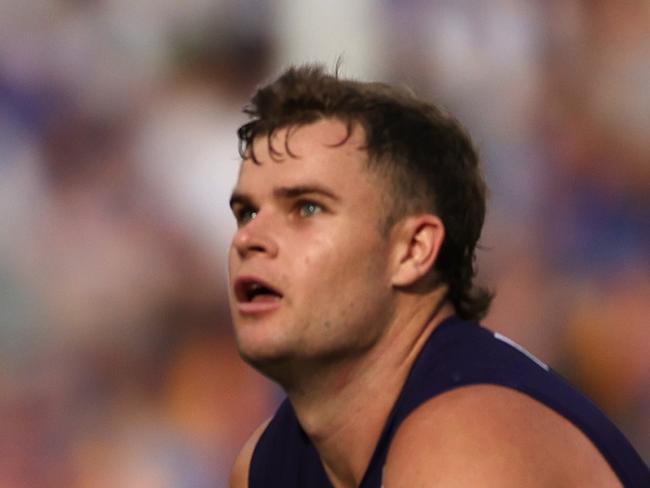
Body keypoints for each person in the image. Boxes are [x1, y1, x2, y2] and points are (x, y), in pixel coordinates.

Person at [226, 65, 649, 487]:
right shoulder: (265, 465)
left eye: (307, 207)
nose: (250, 238)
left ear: (413, 250)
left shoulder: (466, 441)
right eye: (247, 212)